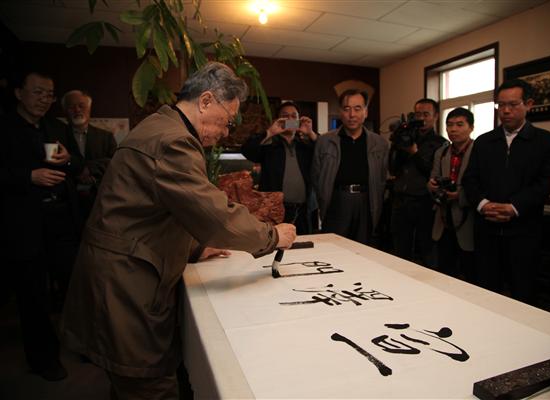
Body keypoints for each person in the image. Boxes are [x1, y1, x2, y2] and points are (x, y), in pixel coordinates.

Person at [61, 62, 296, 398]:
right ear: (206, 101)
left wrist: (196, 248)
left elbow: (150, 211)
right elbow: (215, 215)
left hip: (116, 273)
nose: (226, 132)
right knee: (152, 386)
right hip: (126, 284)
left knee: (128, 385)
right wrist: (273, 236)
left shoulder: (160, 125)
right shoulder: (174, 141)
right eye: (227, 120)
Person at [0, 70, 84, 381]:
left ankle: (84, 344)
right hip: (23, 225)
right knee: (33, 295)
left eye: (49, 94)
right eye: (37, 92)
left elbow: (79, 165)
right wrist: (28, 177)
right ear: (18, 93)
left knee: (75, 285)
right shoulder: (4, 127)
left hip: (62, 221)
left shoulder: (56, 127)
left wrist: (68, 160)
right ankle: (44, 359)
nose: (44, 99)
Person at [462, 78, 550, 304]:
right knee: (486, 292)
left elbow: (547, 182)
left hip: (524, 230)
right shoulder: (484, 141)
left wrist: (514, 207)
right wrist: (483, 204)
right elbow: (470, 179)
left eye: (513, 104)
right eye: (501, 105)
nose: (505, 111)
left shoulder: (545, 141)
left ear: (529, 104)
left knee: (523, 292)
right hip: (487, 230)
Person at [312, 89, 389, 245]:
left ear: (365, 112)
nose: (352, 114)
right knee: (334, 247)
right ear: (341, 112)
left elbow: (382, 177)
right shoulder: (325, 141)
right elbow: (316, 176)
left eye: (357, 108)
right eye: (347, 109)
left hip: (367, 201)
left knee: (363, 249)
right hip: (337, 200)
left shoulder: (380, 143)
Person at [241, 101, 318, 234]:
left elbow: (325, 153)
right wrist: (270, 132)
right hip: (274, 210)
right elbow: (247, 150)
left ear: (299, 120)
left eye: (294, 116)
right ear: (278, 120)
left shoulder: (305, 145)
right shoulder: (269, 144)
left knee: (304, 244)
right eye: (285, 116)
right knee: (275, 243)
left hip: (302, 210)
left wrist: (311, 133)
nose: (290, 119)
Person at [389, 98, 447, 267]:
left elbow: (432, 171)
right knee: (400, 249)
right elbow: (393, 169)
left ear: (435, 116)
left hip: (424, 202)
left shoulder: (440, 143)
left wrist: (414, 152)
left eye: (426, 114)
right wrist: (397, 144)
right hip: (401, 200)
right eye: (417, 114)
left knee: (427, 249)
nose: (421, 118)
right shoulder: (405, 137)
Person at [427, 107, 475, 282]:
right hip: (444, 216)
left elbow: (484, 185)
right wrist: (431, 186)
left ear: (471, 127)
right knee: (445, 269)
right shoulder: (442, 152)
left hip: (468, 218)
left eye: (459, 125)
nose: (453, 129)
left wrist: (460, 195)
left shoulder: (478, 150)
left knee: (471, 270)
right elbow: (433, 178)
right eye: (449, 125)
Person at [61, 89, 117, 220]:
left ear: (89, 108)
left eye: (81, 106)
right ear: (65, 111)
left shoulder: (106, 137)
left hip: (100, 200)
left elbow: (115, 163)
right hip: (67, 202)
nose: (77, 110)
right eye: (71, 107)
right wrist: (79, 171)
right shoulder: (58, 135)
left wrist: (89, 169)